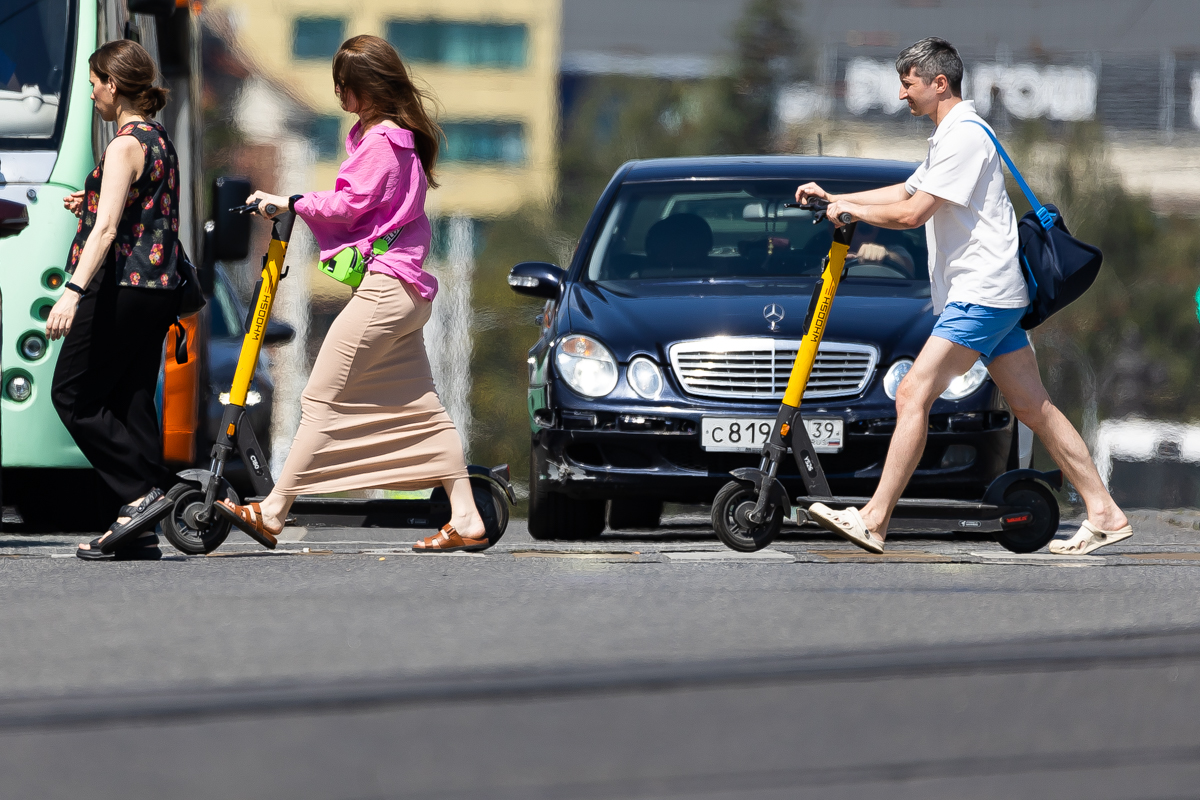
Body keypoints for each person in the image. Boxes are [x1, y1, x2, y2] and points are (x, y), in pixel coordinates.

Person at [796, 37, 1130, 556]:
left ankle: (874, 519)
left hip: (981, 295)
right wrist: (836, 199)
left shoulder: (965, 137)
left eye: (907, 84)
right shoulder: (950, 135)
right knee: (1033, 405)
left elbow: (912, 215)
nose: (902, 95)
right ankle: (1104, 510)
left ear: (939, 83)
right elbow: (906, 192)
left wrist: (853, 213)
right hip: (992, 293)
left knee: (912, 394)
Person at [215, 35, 488, 553]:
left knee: (318, 398)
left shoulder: (383, 141)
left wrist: (289, 201)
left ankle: (273, 511)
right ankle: (467, 516)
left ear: (368, 87)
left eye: (346, 87)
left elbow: (349, 203)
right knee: (425, 410)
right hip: (407, 293)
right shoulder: (398, 137)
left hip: (386, 291)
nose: (340, 95)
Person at [47, 40, 182, 561]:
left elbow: (106, 233)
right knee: (130, 403)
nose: (91, 94)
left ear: (114, 84)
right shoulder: (159, 139)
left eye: (94, 83)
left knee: (73, 397)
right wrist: (94, 195)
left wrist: (73, 292)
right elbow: (141, 206)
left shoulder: (124, 143)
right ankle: (140, 530)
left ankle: (142, 494)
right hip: (156, 289)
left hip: (121, 284)